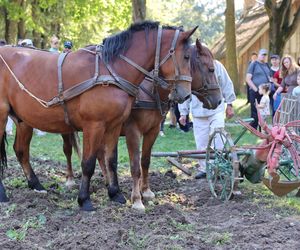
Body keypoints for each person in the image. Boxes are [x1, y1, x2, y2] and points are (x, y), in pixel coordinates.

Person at [179, 60, 236, 179]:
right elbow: (185, 91)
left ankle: (219, 168)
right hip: (198, 112)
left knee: (218, 139)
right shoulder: (189, 68)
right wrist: (183, 113)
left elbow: (226, 83)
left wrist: (229, 104)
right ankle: (204, 169)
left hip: (217, 109)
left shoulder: (216, 65)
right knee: (201, 143)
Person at [246, 48, 271, 129]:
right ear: (258, 55)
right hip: (255, 91)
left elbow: (269, 78)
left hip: (265, 92)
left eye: (265, 55)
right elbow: (248, 79)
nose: (263, 56)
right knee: (255, 109)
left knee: (263, 110)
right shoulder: (253, 64)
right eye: (262, 54)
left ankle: (262, 128)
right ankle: (253, 127)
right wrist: (256, 89)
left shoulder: (267, 65)